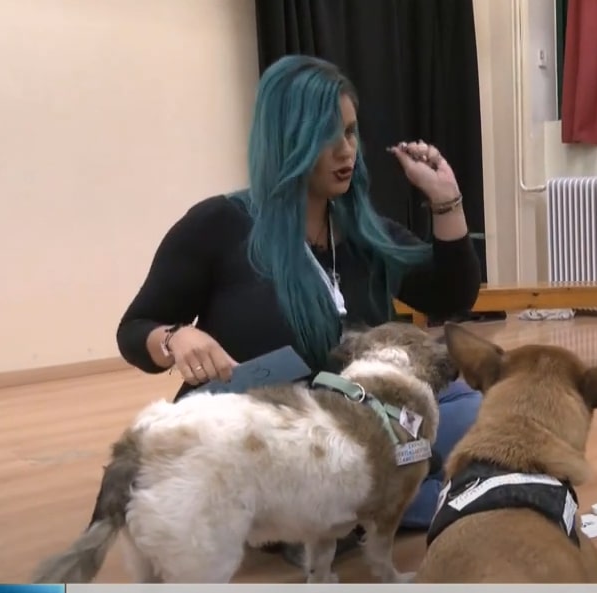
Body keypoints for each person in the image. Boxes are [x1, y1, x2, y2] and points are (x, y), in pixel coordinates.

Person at [115, 54, 483, 566]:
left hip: (354, 429)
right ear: (286, 140)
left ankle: (351, 509)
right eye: (326, 136)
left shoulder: (363, 231)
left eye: (351, 133)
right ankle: (361, 506)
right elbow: (135, 330)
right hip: (271, 435)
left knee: (474, 411)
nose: (345, 150)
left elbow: (451, 295)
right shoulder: (218, 224)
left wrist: (447, 201)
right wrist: (174, 338)